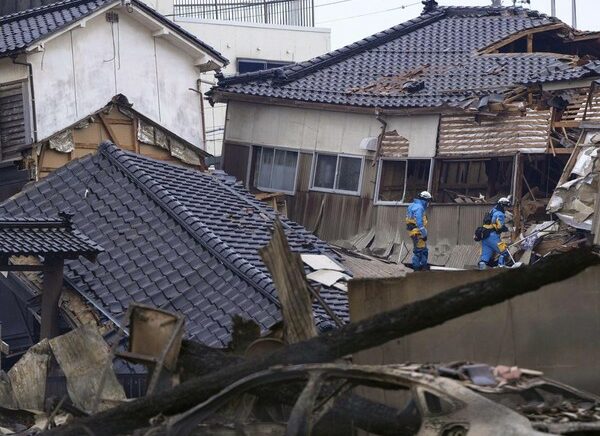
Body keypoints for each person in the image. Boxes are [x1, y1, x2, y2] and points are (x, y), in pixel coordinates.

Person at [478, 197, 511, 270]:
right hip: (493, 237)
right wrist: (507, 229)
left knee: (485, 258)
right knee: (504, 251)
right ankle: (501, 268)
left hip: (485, 236)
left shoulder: (492, 210)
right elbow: (499, 227)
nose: (506, 209)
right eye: (506, 206)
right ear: (502, 205)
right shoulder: (500, 214)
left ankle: (481, 271)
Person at [406, 191, 432, 271]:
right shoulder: (419, 208)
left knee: (421, 250)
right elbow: (420, 223)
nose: (428, 203)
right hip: (418, 232)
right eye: (428, 201)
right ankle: (418, 270)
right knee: (421, 251)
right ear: (425, 200)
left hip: (413, 232)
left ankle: (420, 268)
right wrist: (424, 234)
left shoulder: (412, 205)